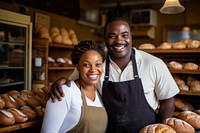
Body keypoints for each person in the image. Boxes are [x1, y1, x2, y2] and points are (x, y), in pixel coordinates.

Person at [50, 17, 180, 133]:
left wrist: (162, 129)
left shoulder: (154, 64)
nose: (119, 40)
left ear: (131, 37)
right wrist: (61, 81)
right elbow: (72, 83)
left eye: (124, 35)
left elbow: (168, 102)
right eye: (112, 36)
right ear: (105, 39)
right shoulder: (97, 66)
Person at [41, 40, 107, 133]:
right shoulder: (65, 92)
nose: (93, 69)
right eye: (86, 65)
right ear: (77, 66)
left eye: (97, 64)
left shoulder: (99, 92)